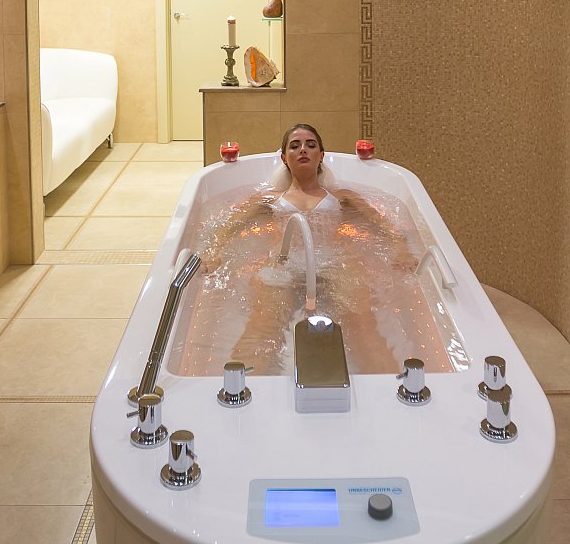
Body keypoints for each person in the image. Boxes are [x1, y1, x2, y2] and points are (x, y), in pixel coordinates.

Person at [177, 124, 449, 376]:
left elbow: (385, 225)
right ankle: (241, 390)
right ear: (284, 158)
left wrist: (401, 249)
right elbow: (227, 226)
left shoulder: (342, 196)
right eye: (294, 146)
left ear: (321, 155)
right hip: (283, 265)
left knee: (362, 323)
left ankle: (388, 389)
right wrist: (213, 252)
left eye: (310, 145)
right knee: (263, 326)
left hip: (335, 263)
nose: (303, 150)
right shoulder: (269, 199)